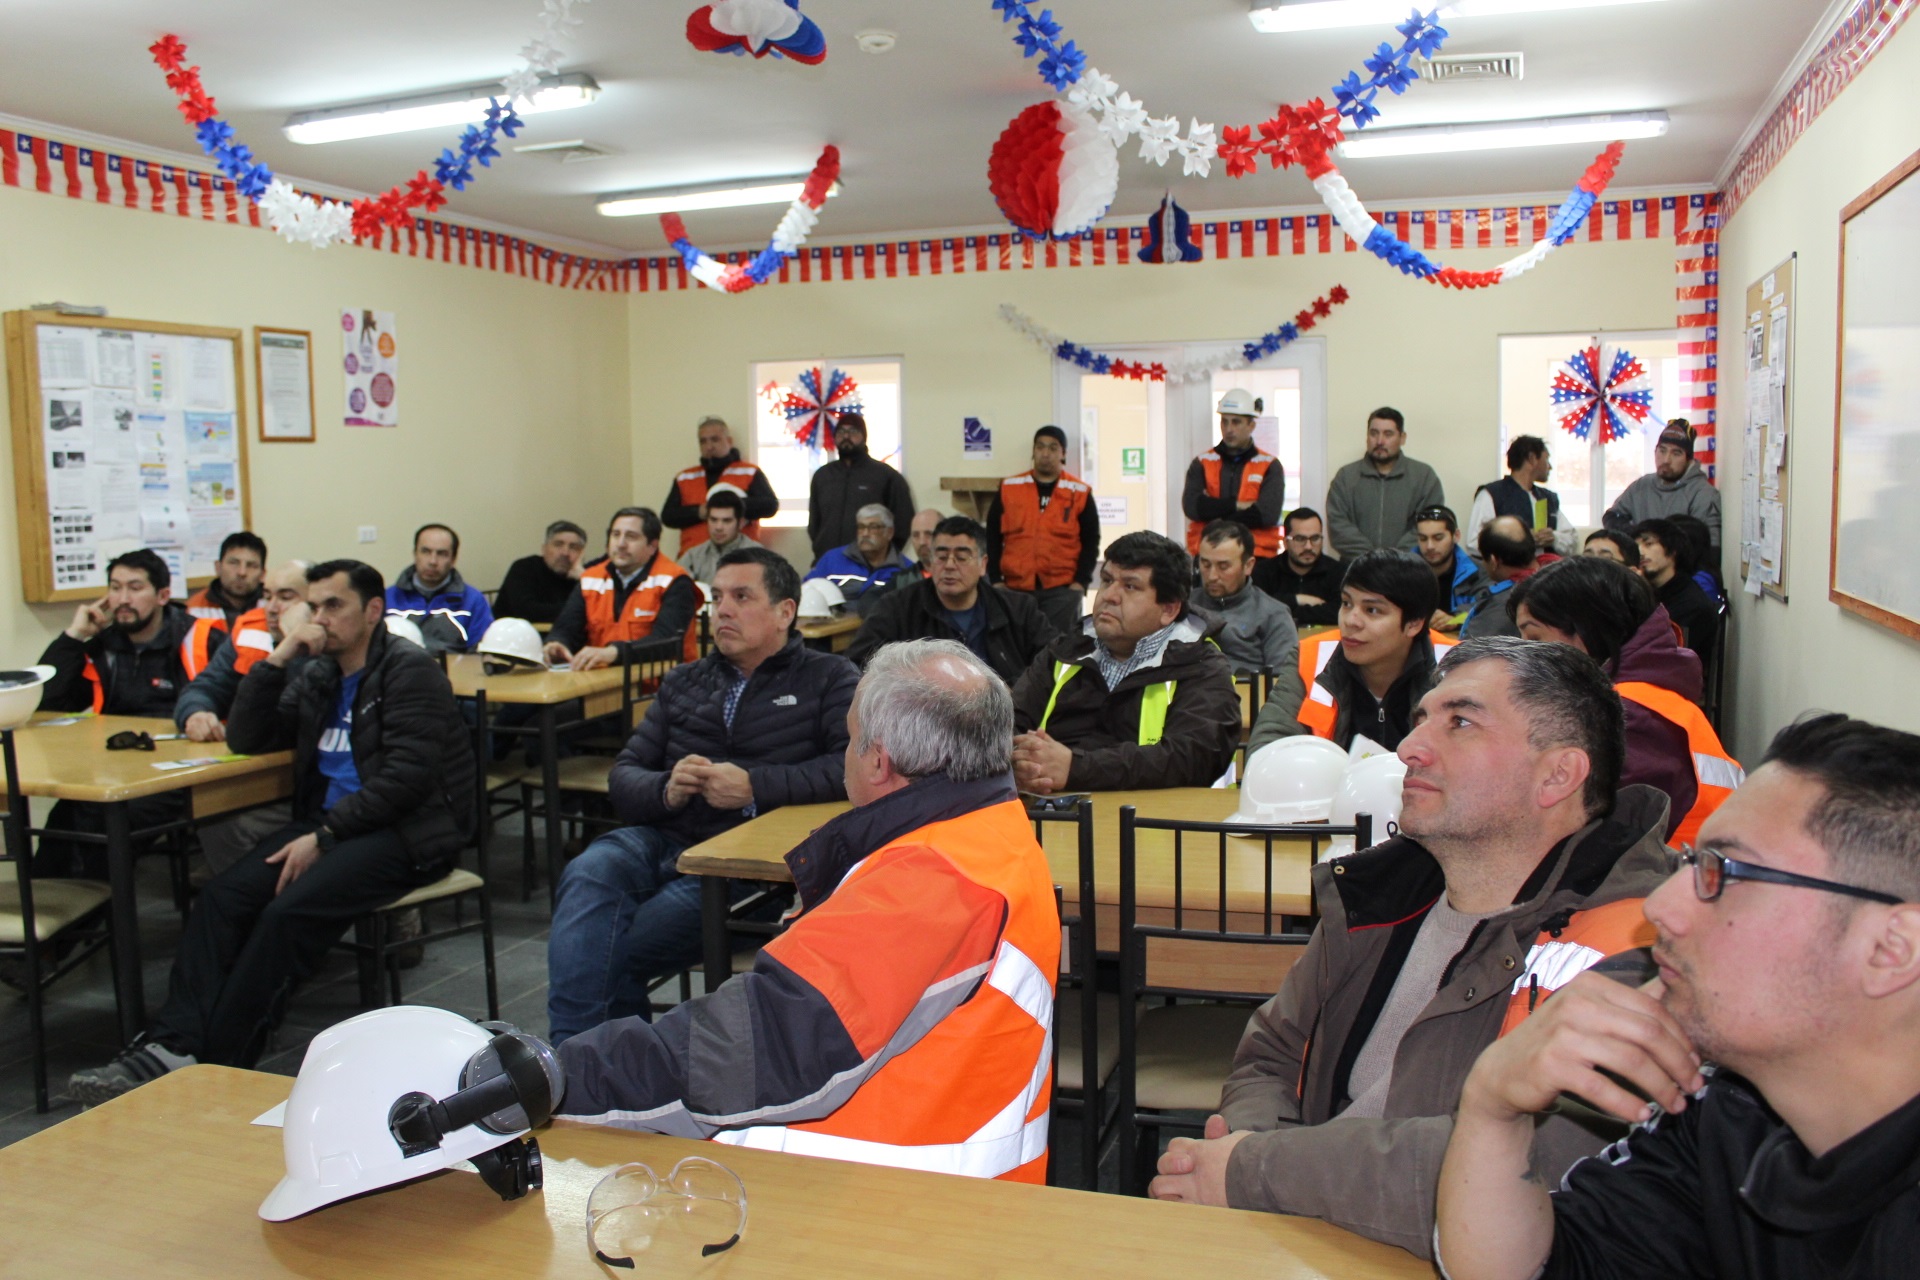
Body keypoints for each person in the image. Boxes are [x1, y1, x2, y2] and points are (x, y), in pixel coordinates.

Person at [1150, 638, 1673, 1259]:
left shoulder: (1639, 948)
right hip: (1306, 1233)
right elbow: (1272, 1053)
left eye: (1459, 722)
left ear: (1557, 775)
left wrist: (1253, 1169)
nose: (1408, 747)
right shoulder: (1385, 897)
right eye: (1423, 717)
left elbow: (1536, 1166)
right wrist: (1248, 1152)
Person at [1434, 714, 1920, 1280]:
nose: (1659, 908)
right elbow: (1551, 1267)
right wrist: (1493, 1106)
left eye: (1722, 873)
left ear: (1891, 949)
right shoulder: (1731, 1114)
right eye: (1690, 863)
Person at [557, 639, 1059, 1184]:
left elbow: (765, 1042)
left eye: (849, 738)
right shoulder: (985, 833)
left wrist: (557, 1080)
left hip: (876, 1197)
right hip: (928, 1162)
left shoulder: (936, 878)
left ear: (878, 761)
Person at [67, 560, 477, 1101]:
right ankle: (173, 1044)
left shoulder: (408, 670)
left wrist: (324, 837)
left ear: (373, 611)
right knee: (221, 898)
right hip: (331, 824)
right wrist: (279, 657)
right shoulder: (319, 673)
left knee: (286, 915)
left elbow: (405, 781)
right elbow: (248, 734)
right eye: (315, 605)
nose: (320, 617)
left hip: (408, 831)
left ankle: (220, 1064)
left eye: (335, 606)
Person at [546, 548, 860, 1043]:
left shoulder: (829, 678)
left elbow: (850, 770)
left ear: (785, 611)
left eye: (741, 597)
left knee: (609, 949)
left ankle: (584, 1066)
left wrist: (754, 785)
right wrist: (666, 788)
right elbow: (624, 774)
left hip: (744, 863)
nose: (723, 610)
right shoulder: (685, 680)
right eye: (716, 598)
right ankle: (576, 1062)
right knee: (587, 873)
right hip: (664, 833)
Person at [1511, 556, 1742, 844]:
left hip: (1676, 877)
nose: (1524, 655)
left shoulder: (1627, 717)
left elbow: (1595, 842)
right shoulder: (1647, 697)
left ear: (1586, 632)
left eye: (1534, 639)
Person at [1009, 531, 1239, 793]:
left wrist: (1077, 768)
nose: (1109, 595)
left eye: (1130, 586)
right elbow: (1008, 721)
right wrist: (1023, 758)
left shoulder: (1200, 663)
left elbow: (1194, 756)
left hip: (1154, 822)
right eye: (1107, 580)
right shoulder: (1065, 650)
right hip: (1051, 808)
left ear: (1168, 609)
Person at [31, 549, 210, 879]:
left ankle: (100, 917)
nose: (122, 599)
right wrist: (74, 636)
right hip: (115, 766)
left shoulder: (201, 637)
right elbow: (50, 702)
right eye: (115, 588)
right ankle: (50, 915)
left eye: (135, 588)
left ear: (162, 595)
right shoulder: (104, 645)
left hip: (177, 772)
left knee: (110, 822)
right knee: (64, 816)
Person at [175, 562, 314, 873]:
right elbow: (205, 686)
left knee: (227, 823)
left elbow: (301, 712)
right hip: (259, 766)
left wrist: (292, 644)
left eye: (286, 596)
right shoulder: (250, 629)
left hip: (310, 776)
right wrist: (195, 712)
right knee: (213, 817)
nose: (273, 608)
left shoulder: (328, 640)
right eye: (267, 595)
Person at [1247, 550, 1453, 755]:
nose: (1350, 621)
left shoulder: (1457, 668)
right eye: (1346, 603)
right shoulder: (1312, 657)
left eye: (1372, 610)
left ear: (1414, 623)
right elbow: (1267, 749)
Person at [846, 516, 1053, 684]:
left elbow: (1053, 662)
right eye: (942, 557)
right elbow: (857, 664)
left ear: (983, 565)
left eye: (962, 558)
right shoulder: (896, 608)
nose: (950, 565)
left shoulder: (1019, 609)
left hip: (1006, 716)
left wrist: (1014, 692)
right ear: (929, 563)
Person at [547, 507, 700, 670]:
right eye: (616, 535)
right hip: (603, 681)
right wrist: (557, 643)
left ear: (652, 546)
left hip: (666, 685)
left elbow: (668, 642)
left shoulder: (675, 580)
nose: (621, 544)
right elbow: (567, 627)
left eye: (631, 537)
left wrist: (614, 653)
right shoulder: (591, 578)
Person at [988, 425, 1099, 635]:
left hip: (1062, 591)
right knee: (1014, 651)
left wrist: (1080, 582)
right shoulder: (1009, 487)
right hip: (1014, 590)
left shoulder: (1079, 492)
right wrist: (995, 580)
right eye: (1040, 447)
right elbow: (992, 536)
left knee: (1058, 652)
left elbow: (1091, 541)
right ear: (1033, 451)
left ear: (1063, 454)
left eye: (1053, 448)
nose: (1045, 453)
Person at [1326, 407, 1446, 558]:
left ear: (1402, 438)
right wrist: (1372, 558)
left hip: (1409, 570)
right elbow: (1338, 527)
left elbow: (1429, 526)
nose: (1379, 441)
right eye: (1373, 433)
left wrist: (1394, 558)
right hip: (1357, 571)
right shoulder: (1346, 477)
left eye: (1388, 434)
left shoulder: (1424, 477)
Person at [1182, 388, 1285, 561]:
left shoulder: (1269, 465)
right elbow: (1192, 507)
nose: (1229, 429)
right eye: (1224, 422)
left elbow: (1267, 515)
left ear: (1251, 425)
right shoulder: (1202, 462)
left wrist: (1212, 511)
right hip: (1208, 555)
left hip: (1256, 557)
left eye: (1236, 422)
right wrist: (1239, 505)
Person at [1190, 520, 1300, 678]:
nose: (1212, 576)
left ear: (1248, 566)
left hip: (1249, 698)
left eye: (1223, 567)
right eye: (1205, 564)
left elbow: (1283, 683)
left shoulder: (1274, 614)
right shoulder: (1182, 606)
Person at [660, 416, 779, 555]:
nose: (709, 446)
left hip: (742, 557)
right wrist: (699, 512)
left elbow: (770, 506)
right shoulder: (684, 477)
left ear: (729, 441)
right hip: (693, 560)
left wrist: (732, 507)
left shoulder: (750, 472)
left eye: (715, 439)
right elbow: (668, 516)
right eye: (703, 441)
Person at [1602, 419, 1722, 556]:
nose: (1666, 460)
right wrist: (1637, 536)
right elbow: (1612, 516)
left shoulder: (1703, 494)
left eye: (1676, 453)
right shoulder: (1642, 485)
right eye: (1662, 451)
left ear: (1689, 460)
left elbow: (1711, 552)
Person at [807, 412, 915, 558]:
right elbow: (814, 524)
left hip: (871, 564)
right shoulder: (822, 476)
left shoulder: (885, 476)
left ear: (864, 437)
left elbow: (903, 524)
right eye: (841, 432)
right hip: (828, 562)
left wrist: (884, 557)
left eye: (853, 431)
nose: (846, 436)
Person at [384, 523, 494, 655]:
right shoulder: (387, 598)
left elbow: (480, 654)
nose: (433, 561)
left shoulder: (473, 601)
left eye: (442, 554)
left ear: (453, 559)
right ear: (415, 554)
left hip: (455, 673)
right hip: (399, 672)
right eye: (425, 551)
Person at [1632, 517, 1720, 671]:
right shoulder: (1653, 590)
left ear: (1672, 551)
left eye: (1648, 544)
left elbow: (1656, 653)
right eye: (1636, 545)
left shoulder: (1691, 603)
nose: (1640, 552)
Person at [1468, 436, 1575, 556]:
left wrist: (1554, 538)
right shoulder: (1490, 495)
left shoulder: (1548, 498)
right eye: (1546, 459)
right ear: (1532, 459)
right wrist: (1518, 541)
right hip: (1507, 573)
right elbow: (1474, 543)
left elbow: (1571, 540)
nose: (1550, 467)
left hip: (1546, 571)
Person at [804, 504, 908, 616]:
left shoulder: (906, 570)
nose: (865, 533)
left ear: (889, 533)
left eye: (873, 527)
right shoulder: (832, 559)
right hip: (833, 629)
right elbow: (805, 592)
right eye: (861, 527)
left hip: (882, 628)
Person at [1255, 507, 1342, 628]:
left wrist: (1286, 609)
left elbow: (1339, 613)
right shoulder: (1264, 571)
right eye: (1300, 539)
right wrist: (1296, 599)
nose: (1308, 546)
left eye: (1315, 538)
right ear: (1286, 542)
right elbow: (1257, 609)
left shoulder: (1338, 571)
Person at [1460, 516, 1539, 641]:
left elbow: (1469, 655)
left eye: (1483, 559)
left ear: (1493, 561)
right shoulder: (1558, 577)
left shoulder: (1507, 603)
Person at [493, 520, 587, 625]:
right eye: (558, 545)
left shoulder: (583, 577)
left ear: (581, 554)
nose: (565, 553)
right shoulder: (524, 568)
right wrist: (578, 610)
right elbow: (527, 611)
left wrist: (585, 578)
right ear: (544, 549)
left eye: (573, 547)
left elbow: (600, 612)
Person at [1414, 504, 1491, 632]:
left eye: (1438, 538)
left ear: (1456, 536)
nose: (1429, 546)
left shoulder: (1477, 571)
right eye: (1423, 539)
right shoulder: (1403, 570)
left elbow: (1487, 607)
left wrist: (1455, 618)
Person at [183, 531, 267, 631]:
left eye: (251, 565)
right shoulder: (193, 609)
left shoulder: (272, 607)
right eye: (234, 563)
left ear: (262, 574)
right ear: (218, 567)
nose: (242, 572)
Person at [679, 490, 763, 584]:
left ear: (741, 523)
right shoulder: (693, 556)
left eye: (727, 521)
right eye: (713, 520)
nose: (718, 527)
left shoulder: (757, 555)